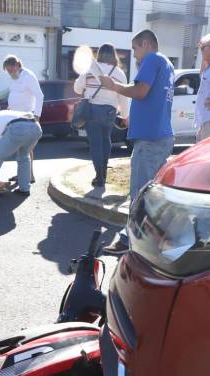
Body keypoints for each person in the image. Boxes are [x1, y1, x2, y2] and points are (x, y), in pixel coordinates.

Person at [98, 29, 175, 255]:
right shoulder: (166, 64)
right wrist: (131, 120)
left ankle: (129, 242)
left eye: (135, 49)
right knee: (153, 194)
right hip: (159, 136)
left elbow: (141, 91)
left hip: (150, 140)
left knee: (140, 194)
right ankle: (155, 241)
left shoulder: (151, 59)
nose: (134, 55)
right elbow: (153, 99)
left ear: (145, 44)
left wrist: (114, 86)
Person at [74, 44, 130, 187]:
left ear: (99, 54)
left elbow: (77, 88)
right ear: (113, 55)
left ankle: (99, 176)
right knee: (106, 140)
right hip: (110, 112)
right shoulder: (119, 72)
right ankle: (104, 172)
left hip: (92, 110)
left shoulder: (89, 69)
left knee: (95, 144)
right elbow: (123, 96)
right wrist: (125, 115)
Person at [3, 55, 43, 183]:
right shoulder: (14, 78)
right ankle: (21, 173)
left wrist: (37, 116)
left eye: (10, 70)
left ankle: (29, 176)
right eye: (7, 71)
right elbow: (15, 93)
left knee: (27, 147)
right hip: (14, 116)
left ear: (16, 66)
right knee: (19, 147)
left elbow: (39, 95)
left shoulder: (28, 76)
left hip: (26, 116)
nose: (9, 73)